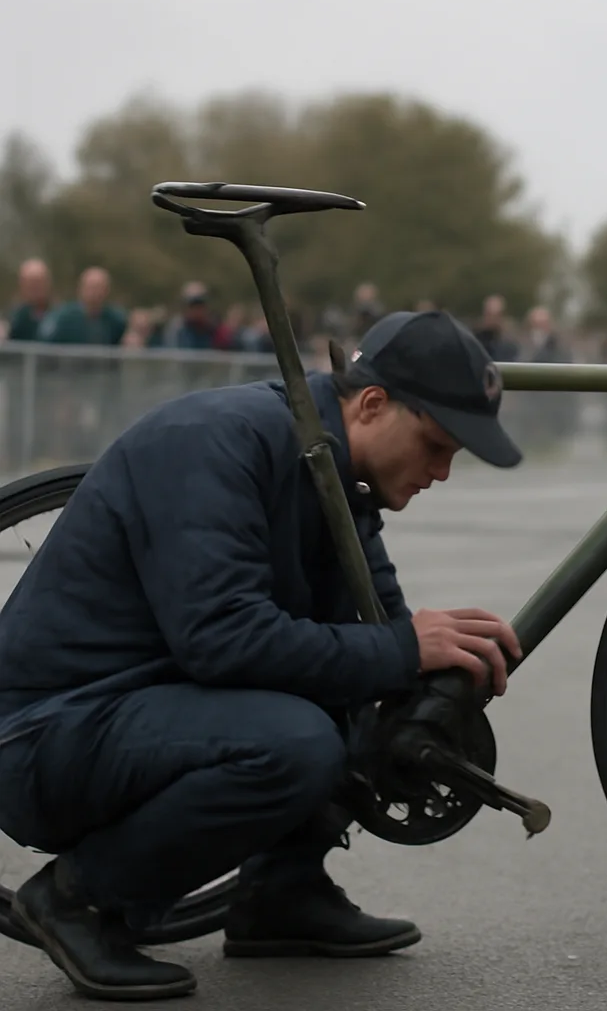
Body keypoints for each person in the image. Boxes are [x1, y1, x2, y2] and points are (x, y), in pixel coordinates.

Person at [0, 309, 523, 1001]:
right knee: (296, 742)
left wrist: (432, 673)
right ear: (371, 405)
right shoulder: (214, 441)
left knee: (379, 687)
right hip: (48, 734)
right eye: (436, 446)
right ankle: (75, 900)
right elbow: (222, 639)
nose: (443, 474)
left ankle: (282, 892)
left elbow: (377, 639)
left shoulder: (340, 480)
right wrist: (401, 647)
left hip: (146, 711)